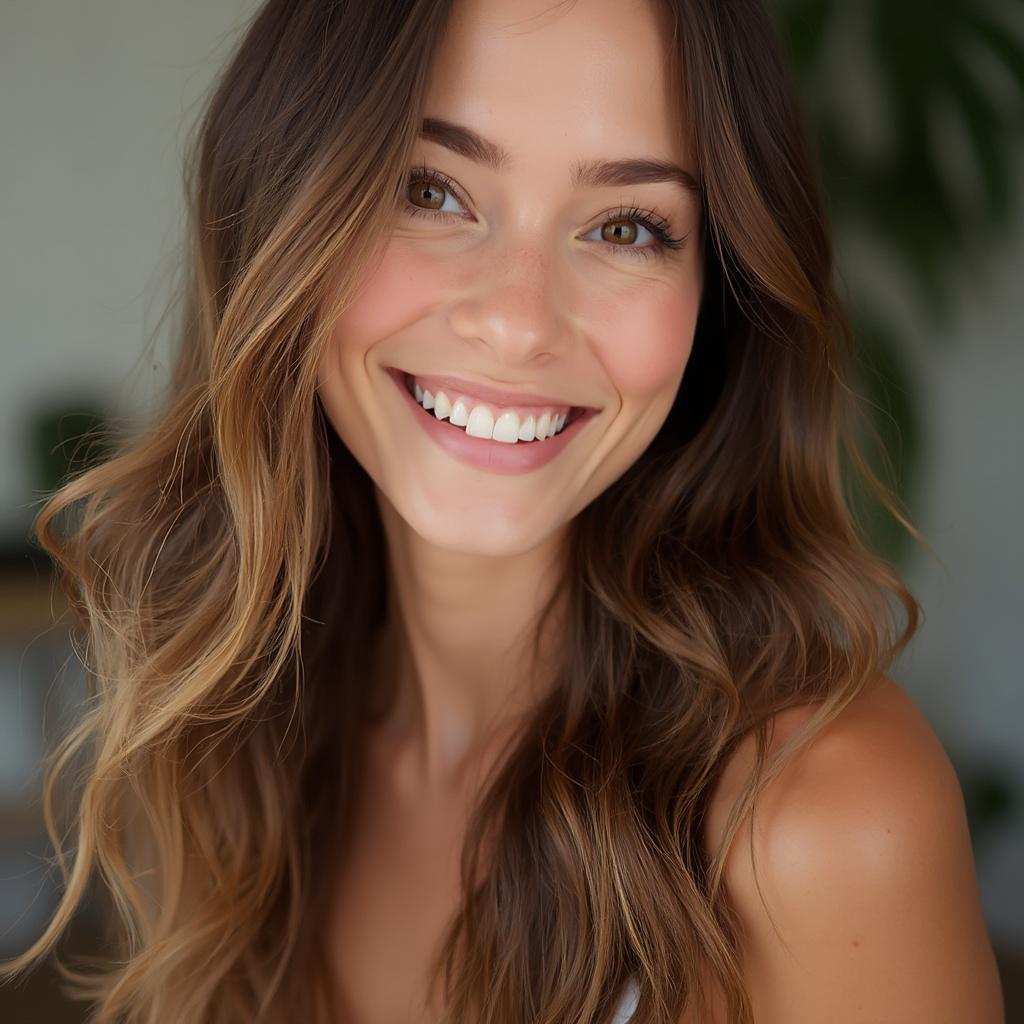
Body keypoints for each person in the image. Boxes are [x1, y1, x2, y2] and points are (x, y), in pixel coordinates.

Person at [1, 0, 1006, 1021]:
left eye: (626, 225)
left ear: (719, 294)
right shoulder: (232, 728)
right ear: (283, 211)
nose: (518, 321)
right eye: (429, 190)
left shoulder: (822, 817)